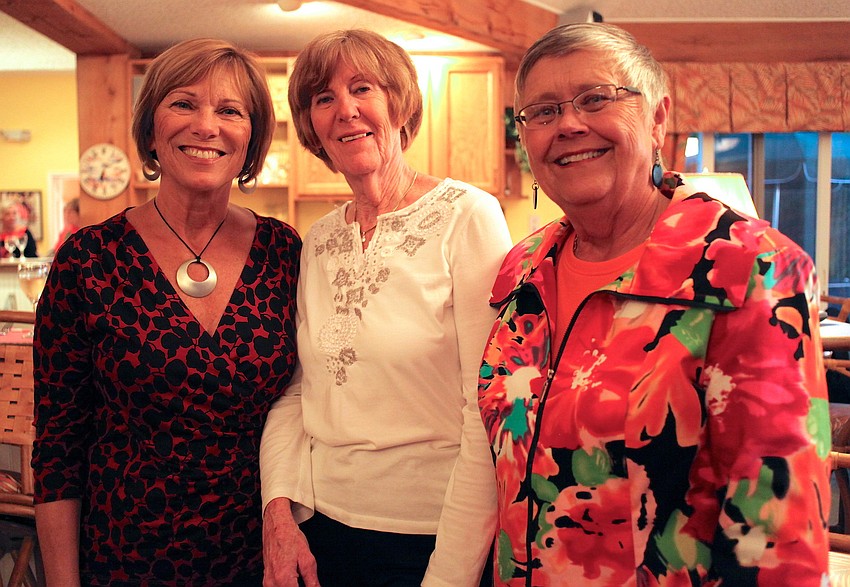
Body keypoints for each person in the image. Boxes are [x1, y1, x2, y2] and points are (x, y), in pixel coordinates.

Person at [477, 23, 830, 586]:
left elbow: (778, 536)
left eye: (596, 98)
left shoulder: (748, 268)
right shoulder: (523, 269)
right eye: (542, 112)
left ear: (658, 117)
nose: (568, 125)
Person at [32, 38, 301, 586]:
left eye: (230, 111)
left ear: (252, 140)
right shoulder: (89, 259)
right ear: (151, 128)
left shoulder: (285, 252)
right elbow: (59, 446)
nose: (206, 126)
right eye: (183, 103)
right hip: (124, 560)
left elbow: (306, 406)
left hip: (260, 561)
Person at [260, 29, 512, 587]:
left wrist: (451, 573)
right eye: (324, 98)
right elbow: (298, 394)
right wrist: (277, 513)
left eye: (362, 88)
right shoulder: (318, 240)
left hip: (430, 532)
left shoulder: (467, 215)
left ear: (398, 103)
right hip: (323, 532)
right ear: (311, 126)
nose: (345, 110)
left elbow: (487, 406)